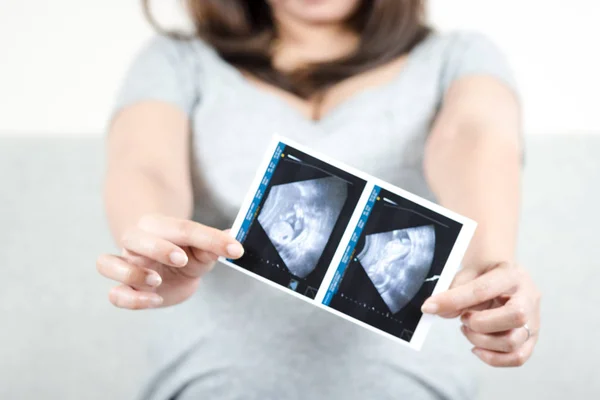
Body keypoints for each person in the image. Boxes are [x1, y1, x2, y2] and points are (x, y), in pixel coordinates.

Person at [96, 0, 541, 398]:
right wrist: (154, 246)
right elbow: (143, 162)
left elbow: (474, 138)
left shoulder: (457, 57)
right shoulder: (176, 60)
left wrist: (490, 267)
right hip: (204, 384)